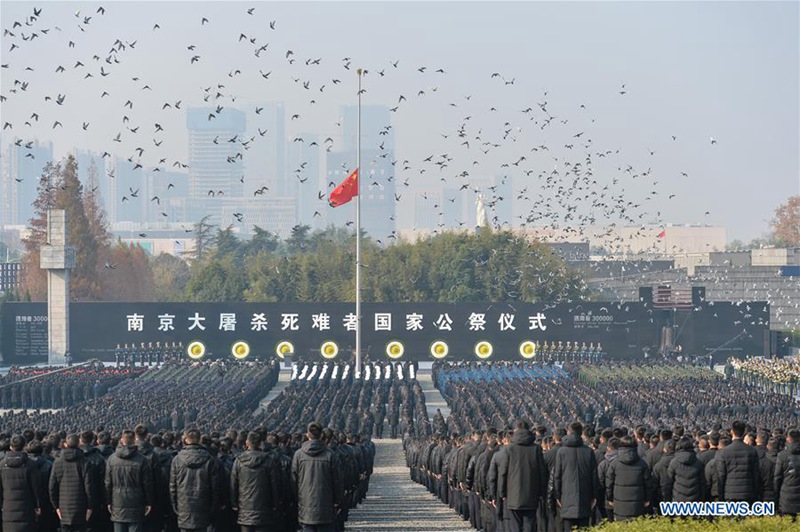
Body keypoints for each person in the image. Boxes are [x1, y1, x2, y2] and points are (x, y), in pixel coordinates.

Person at [291, 422, 343, 532]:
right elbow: (337, 480)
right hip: (326, 505)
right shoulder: (330, 454)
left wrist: (297, 500)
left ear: (308, 435)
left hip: (305, 505)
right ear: (321, 435)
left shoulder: (298, 455)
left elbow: (294, 480)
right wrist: (338, 501)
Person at [496, 420, 547, 532]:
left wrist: (502, 492)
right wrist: (542, 492)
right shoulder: (536, 448)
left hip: (513, 493)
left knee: (514, 525)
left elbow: (503, 472)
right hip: (532, 492)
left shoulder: (510, 448)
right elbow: (542, 472)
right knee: (530, 524)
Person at [169, 428, 223, 532]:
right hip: (203, 505)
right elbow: (215, 487)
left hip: (184, 504)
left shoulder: (177, 459)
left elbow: (172, 486)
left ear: (186, 440)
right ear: (199, 440)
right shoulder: (209, 459)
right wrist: (212, 507)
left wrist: (175, 506)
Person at [230, 432, 281, 532]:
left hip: (245, 509)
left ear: (247, 442)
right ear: (260, 443)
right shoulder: (268, 460)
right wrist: (276, 503)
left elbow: (233, 483)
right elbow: (275, 485)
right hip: (264, 508)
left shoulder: (239, 461)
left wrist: (234, 503)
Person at [105, 429, 154, 532]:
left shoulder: (111, 459)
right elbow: (147, 484)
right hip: (137, 502)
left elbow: (108, 483)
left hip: (118, 501)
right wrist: (149, 501)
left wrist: (108, 501)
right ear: (134, 441)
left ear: (122, 440)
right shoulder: (142, 460)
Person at [554, 422, 599, 531]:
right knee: (583, 528)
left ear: (568, 433)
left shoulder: (561, 452)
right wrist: (594, 495)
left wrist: (557, 495)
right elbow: (594, 476)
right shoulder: (589, 452)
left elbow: (557, 476)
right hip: (585, 496)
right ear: (581, 433)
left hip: (566, 496)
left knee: (568, 527)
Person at [49, 433, 94, 532]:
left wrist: (56, 506)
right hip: (81, 507)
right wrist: (90, 506)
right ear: (79, 444)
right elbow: (89, 487)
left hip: (63, 507)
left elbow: (52, 486)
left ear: (65, 444)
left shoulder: (57, 462)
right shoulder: (85, 462)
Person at [605, 436, 653, 521]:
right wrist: (648, 499)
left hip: (620, 504)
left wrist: (610, 498)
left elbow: (609, 483)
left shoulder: (614, 464)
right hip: (638, 504)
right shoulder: (642, 464)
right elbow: (648, 484)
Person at [715, 420, 761, 502]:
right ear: (744, 432)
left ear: (732, 432)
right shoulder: (752, 451)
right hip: (747, 493)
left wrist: (721, 496)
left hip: (729, 494)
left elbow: (721, 476)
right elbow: (756, 475)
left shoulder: (724, 452)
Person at [775, 428, 800, 516]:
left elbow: (777, 478)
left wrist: (777, 495)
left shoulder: (782, 455)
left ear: (788, 439)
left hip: (787, 499)